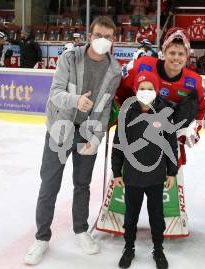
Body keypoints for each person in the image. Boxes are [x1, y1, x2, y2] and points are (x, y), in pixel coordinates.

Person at [24, 16, 122, 265]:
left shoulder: (114, 70)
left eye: (108, 37)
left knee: (82, 185)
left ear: (114, 40)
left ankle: (81, 230)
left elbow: (104, 107)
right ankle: (42, 237)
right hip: (60, 129)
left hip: (87, 132)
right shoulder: (70, 58)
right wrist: (76, 100)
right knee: (49, 185)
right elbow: (56, 93)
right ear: (90, 36)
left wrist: (97, 138)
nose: (103, 41)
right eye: (99, 35)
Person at [116, 27, 205, 237]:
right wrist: (119, 115)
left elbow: (201, 110)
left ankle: (170, 218)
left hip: (168, 134)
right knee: (126, 171)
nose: (176, 58)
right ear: (164, 52)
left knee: (171, 172)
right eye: (172, 52)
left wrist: (192, 129)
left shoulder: (194, 81)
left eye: (181, 53)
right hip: (135, 130)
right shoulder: (142, 65)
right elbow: (119, 88)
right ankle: (120, 217)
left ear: (187, 55)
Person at [112, 71, 177, 269]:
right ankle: (129, 247)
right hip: (132, 176)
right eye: (142, 88)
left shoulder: (165, 113)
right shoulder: (126, 113)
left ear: (156, 91)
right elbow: (118, 145)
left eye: (150, 89)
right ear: (135, 90)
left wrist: (171, 171)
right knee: (131, 215)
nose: (146, 92)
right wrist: (116, 173)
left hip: (156, 176)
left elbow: (171, 144)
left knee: (156, 215)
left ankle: (158, 249)